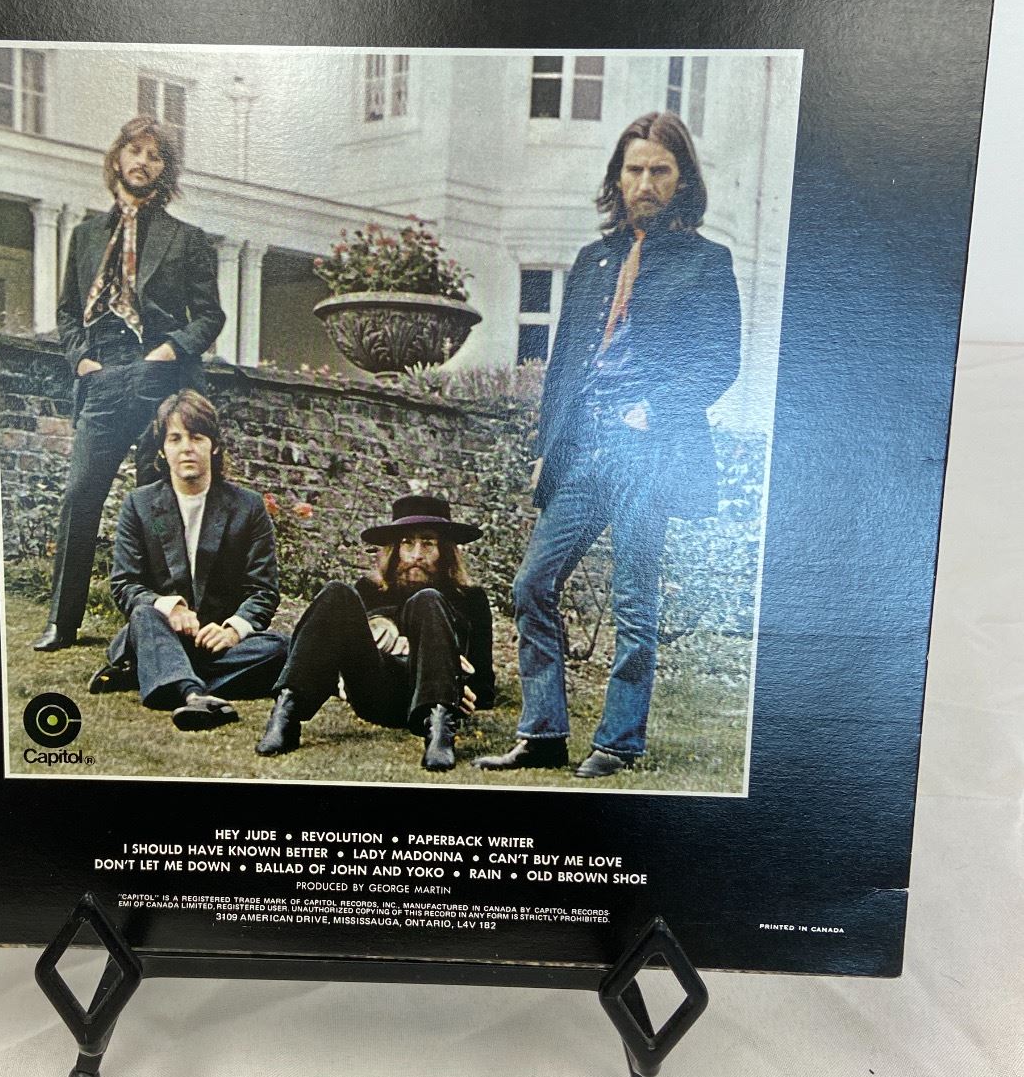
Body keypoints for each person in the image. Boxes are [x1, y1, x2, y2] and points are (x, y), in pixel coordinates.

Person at [477, 110, 740, 779]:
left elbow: (721, 361)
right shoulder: (591, 261)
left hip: (650, 452)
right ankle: (543, 733)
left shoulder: (708, 263)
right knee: (532, 584)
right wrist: (547, 443)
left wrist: (654, 409)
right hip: (582, 447)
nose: (645, 183)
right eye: (634, 170)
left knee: (633, 601)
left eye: (660, 170)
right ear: (617, 178)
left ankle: (618, 740)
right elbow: (565, 362)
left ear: (682, 179)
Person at [33, 115, 225, 651]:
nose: (143, 162)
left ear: (165, 170)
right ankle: (62, 621)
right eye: (135, 151)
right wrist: (81, 361)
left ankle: (165, 621)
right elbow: (69, 312)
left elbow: (210, 317)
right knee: (80, 494)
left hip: (161, 377)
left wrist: (168, 351)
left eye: (155, 156)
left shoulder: (187, 240)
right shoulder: (85, 236)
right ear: (117, 157)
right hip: (103, 377)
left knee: (155, 498)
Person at [87, 391, 288, 729]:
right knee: (145, 613)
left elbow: (263, 590)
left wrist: (233, 630)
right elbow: (124, 584)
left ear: (214, 445)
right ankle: (193, 695)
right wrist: (170, 608)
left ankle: (153, 674)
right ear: (162, 450)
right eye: (175, 438)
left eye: (196, 437)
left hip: (216, 644)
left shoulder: (248, 507)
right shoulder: (139, 505)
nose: (186, 448)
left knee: (284, 648)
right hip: (158, 631)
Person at [256, 495, 495, 772]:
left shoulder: (470, 599)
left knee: (428, 599)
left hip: (430, 700)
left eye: (428, 543)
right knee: (336, 592)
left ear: (445, 551)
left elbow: (484, 686)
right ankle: (287, 713)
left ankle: (440, 731)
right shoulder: (369, 591)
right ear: (394, 549)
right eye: (407, 543)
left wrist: (457, 683)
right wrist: (379, 622)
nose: (417, 554)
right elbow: (338, 650)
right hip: (376, 694)